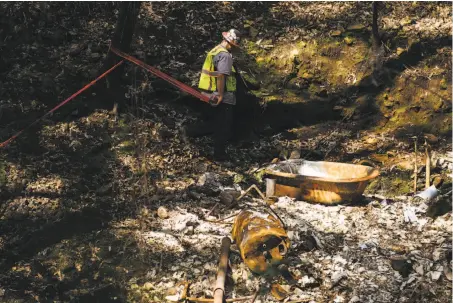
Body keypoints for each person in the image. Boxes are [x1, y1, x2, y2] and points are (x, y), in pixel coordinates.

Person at [196, 29, 241, 161]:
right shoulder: (225, 56)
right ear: (231, 43)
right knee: (223, 126)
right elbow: (221, 75)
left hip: (208, 92)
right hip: (222, 97)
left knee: (214, 123)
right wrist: (220, 95)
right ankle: (219, 155)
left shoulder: (215, 50)